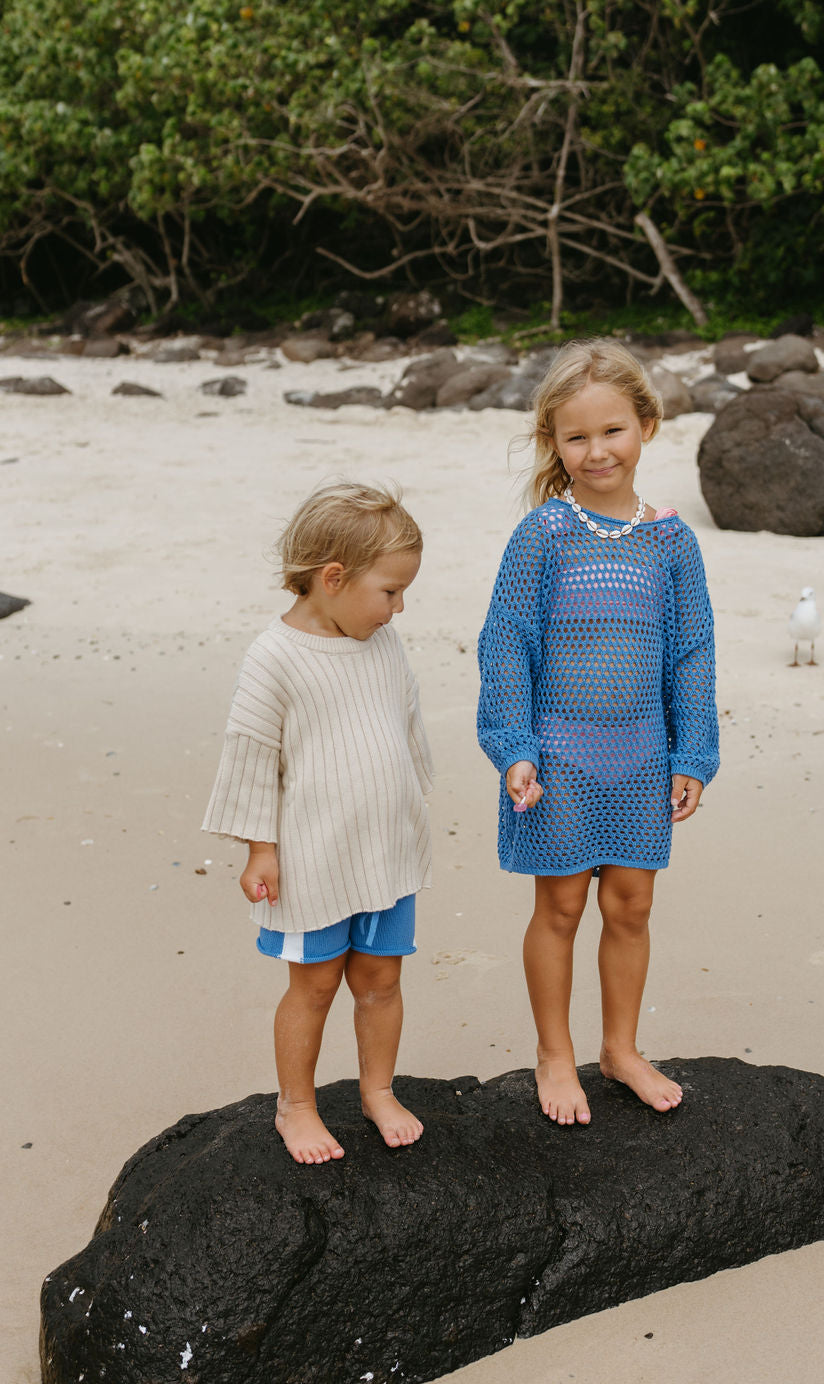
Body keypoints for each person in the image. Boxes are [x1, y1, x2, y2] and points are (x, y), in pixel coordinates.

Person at [477, 340, 718, 1127]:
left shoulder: (672, 541)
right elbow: (506, 641)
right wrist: (513, 746)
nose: (596, 450)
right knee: (559, 910)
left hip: (643, 755)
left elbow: (692, 650)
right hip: (557, 757)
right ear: (554, 442)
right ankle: (555, 1052)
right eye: (576, 437)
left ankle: (620, 1048)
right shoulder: (542, 535)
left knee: (631, 905)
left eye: (612, 431)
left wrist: (693, 753)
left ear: (646, 425)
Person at [203, 484, 433, 1164]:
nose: (399, 608)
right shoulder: (275, 658)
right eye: (390, 592)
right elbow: (251, 757)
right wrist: (260, 850)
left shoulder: (382, 644)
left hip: (385, 852)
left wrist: (412, 807)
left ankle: (377, 1090)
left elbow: (406, 729)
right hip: (314, 860)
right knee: (315, 985)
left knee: (382, 982)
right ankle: (296, 1105)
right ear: (332, 579)